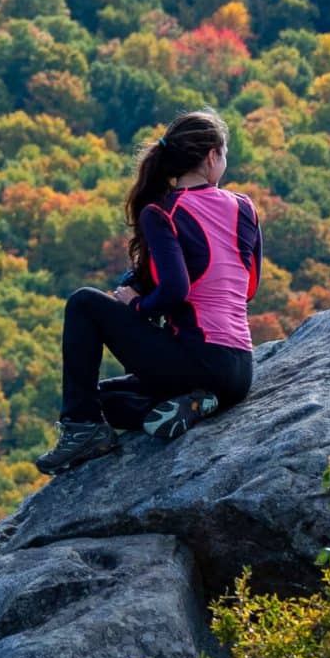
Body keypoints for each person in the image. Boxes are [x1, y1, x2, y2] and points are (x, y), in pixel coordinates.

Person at [35, 107, 261, 474]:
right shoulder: (244, 207)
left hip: (196, 360)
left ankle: (81, 430)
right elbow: (248, 287)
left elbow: (175, 290)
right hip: (238, 372)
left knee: (83, 304)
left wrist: (138, 306)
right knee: (99, 399)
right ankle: (191, 404)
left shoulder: (162, 212)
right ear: (212, 157)